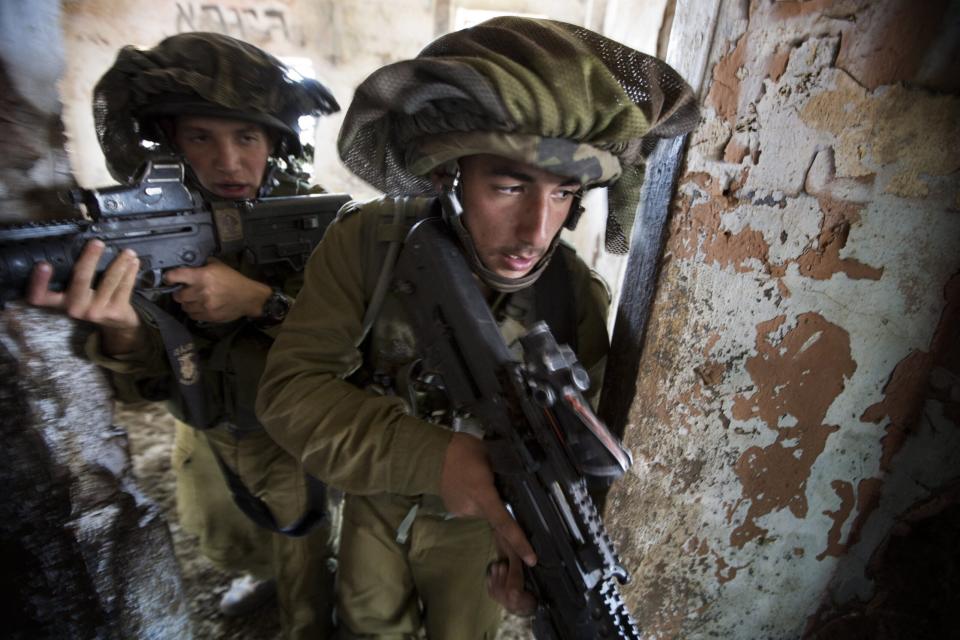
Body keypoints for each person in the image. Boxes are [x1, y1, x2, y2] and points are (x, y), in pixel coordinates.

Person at [256, 16, 699, 638]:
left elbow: (572, 470)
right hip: (375, 495)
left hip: (481, 536)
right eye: (510, 186)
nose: (536, 230)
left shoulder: (575, 300)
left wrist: (533, 568)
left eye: (564, 193)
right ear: (448, 175)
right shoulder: (367, 244)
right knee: (364, 623)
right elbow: (288, 395)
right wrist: (434, 458)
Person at [26, 32, 341, 639]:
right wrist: (121, 330)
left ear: (275, 141)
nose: (228, 161)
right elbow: (147, 380)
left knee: (304, 558)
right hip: (203, 424)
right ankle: (259, 573)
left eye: (246, 137)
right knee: (222, 532)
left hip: (289, 434)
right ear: (169, 143)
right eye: (201, 137)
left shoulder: (316, 221)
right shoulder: (150, 225)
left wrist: (260, 302)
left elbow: (354, 340)